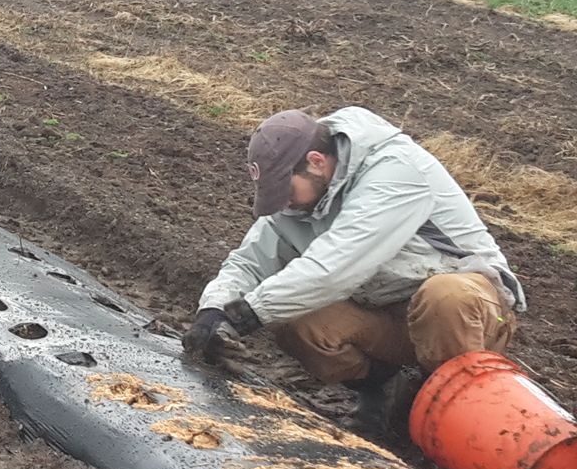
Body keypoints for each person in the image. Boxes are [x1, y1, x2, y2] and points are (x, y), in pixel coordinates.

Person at [183, 107, 524, 427]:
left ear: (316, 162)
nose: (282, 202)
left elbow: (335, 268)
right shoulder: (298, 202)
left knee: (444, 295)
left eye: (285, 190)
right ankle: (385, 391)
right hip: (389, 314)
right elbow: (248, 261)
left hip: (470, 314)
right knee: (294, 317)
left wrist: (245, 315)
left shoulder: (395, 171)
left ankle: (453, 419)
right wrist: (212, 311)